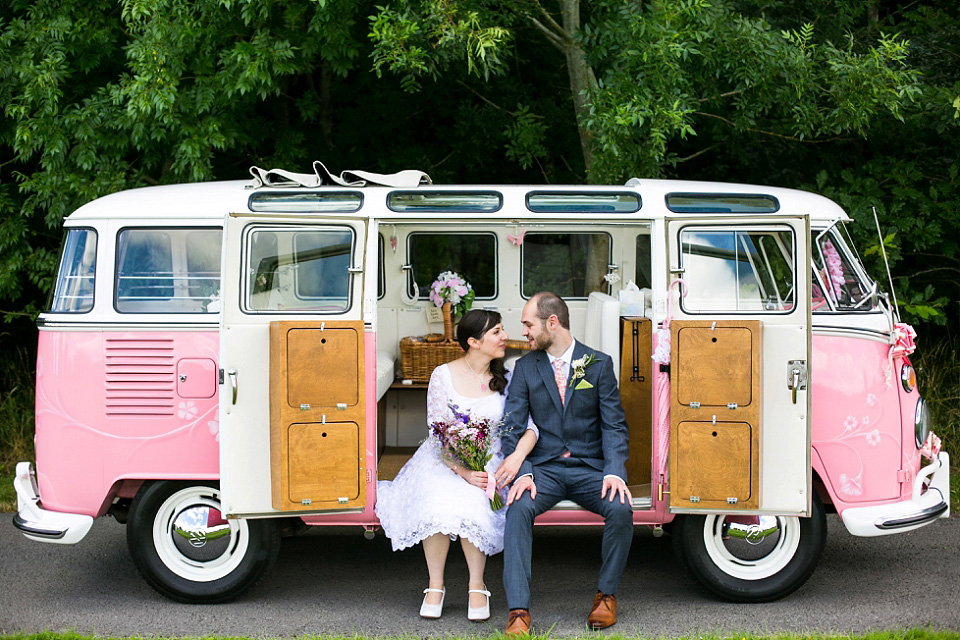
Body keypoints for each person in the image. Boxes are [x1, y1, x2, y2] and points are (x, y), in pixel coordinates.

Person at [375, 309, 538, 621]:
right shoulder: (442, 375)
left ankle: (477, 585)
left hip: (492, 458)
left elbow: (532, 425)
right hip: (446, 458)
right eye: (497, 332)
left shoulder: (509, 378)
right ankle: (435, 585)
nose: (505, 337)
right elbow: (437, 430)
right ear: (474, 342)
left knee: (474, 501)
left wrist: (516, 457)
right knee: (438, 498)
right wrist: (462, 470)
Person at [495, 292, 632, 635]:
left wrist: (614, 470)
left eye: (528, 324)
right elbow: (512, 427)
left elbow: (613, 425)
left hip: (590, 470)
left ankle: (606, 596)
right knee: (517, 508)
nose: (524, 332)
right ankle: (518, 611)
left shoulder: (598, 364)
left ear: (551, 323)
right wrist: (523, 472)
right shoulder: (525, 368)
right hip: (544, 471)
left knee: (621, 508)